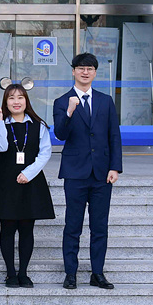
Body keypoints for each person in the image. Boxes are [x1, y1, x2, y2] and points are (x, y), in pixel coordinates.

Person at [53, 52, 123, 290]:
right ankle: (70, 273)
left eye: (90, 68)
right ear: (73, 71)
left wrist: (115, 167)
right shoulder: (62, 101)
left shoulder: (105, 101)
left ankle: (97, 273)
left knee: (99, 226)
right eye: (81, 68)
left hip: (102, 173)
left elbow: (114, 135)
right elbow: (60, 134)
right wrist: (70, 112)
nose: (85, 72)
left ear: (95, 73)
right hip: (75, 173)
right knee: (73, 225)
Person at [0, 83, 55, 288]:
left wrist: (28, 173)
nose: (16, 102)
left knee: (26, 229)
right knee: (7, 228)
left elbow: (45, 153)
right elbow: (0, 147)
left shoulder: (38, 125)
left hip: (31, 181)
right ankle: (10, 274)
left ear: (26, 100)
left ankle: (23, 272)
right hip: (5, 181)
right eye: (11, 98)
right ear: (5, 102)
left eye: (20, 97)